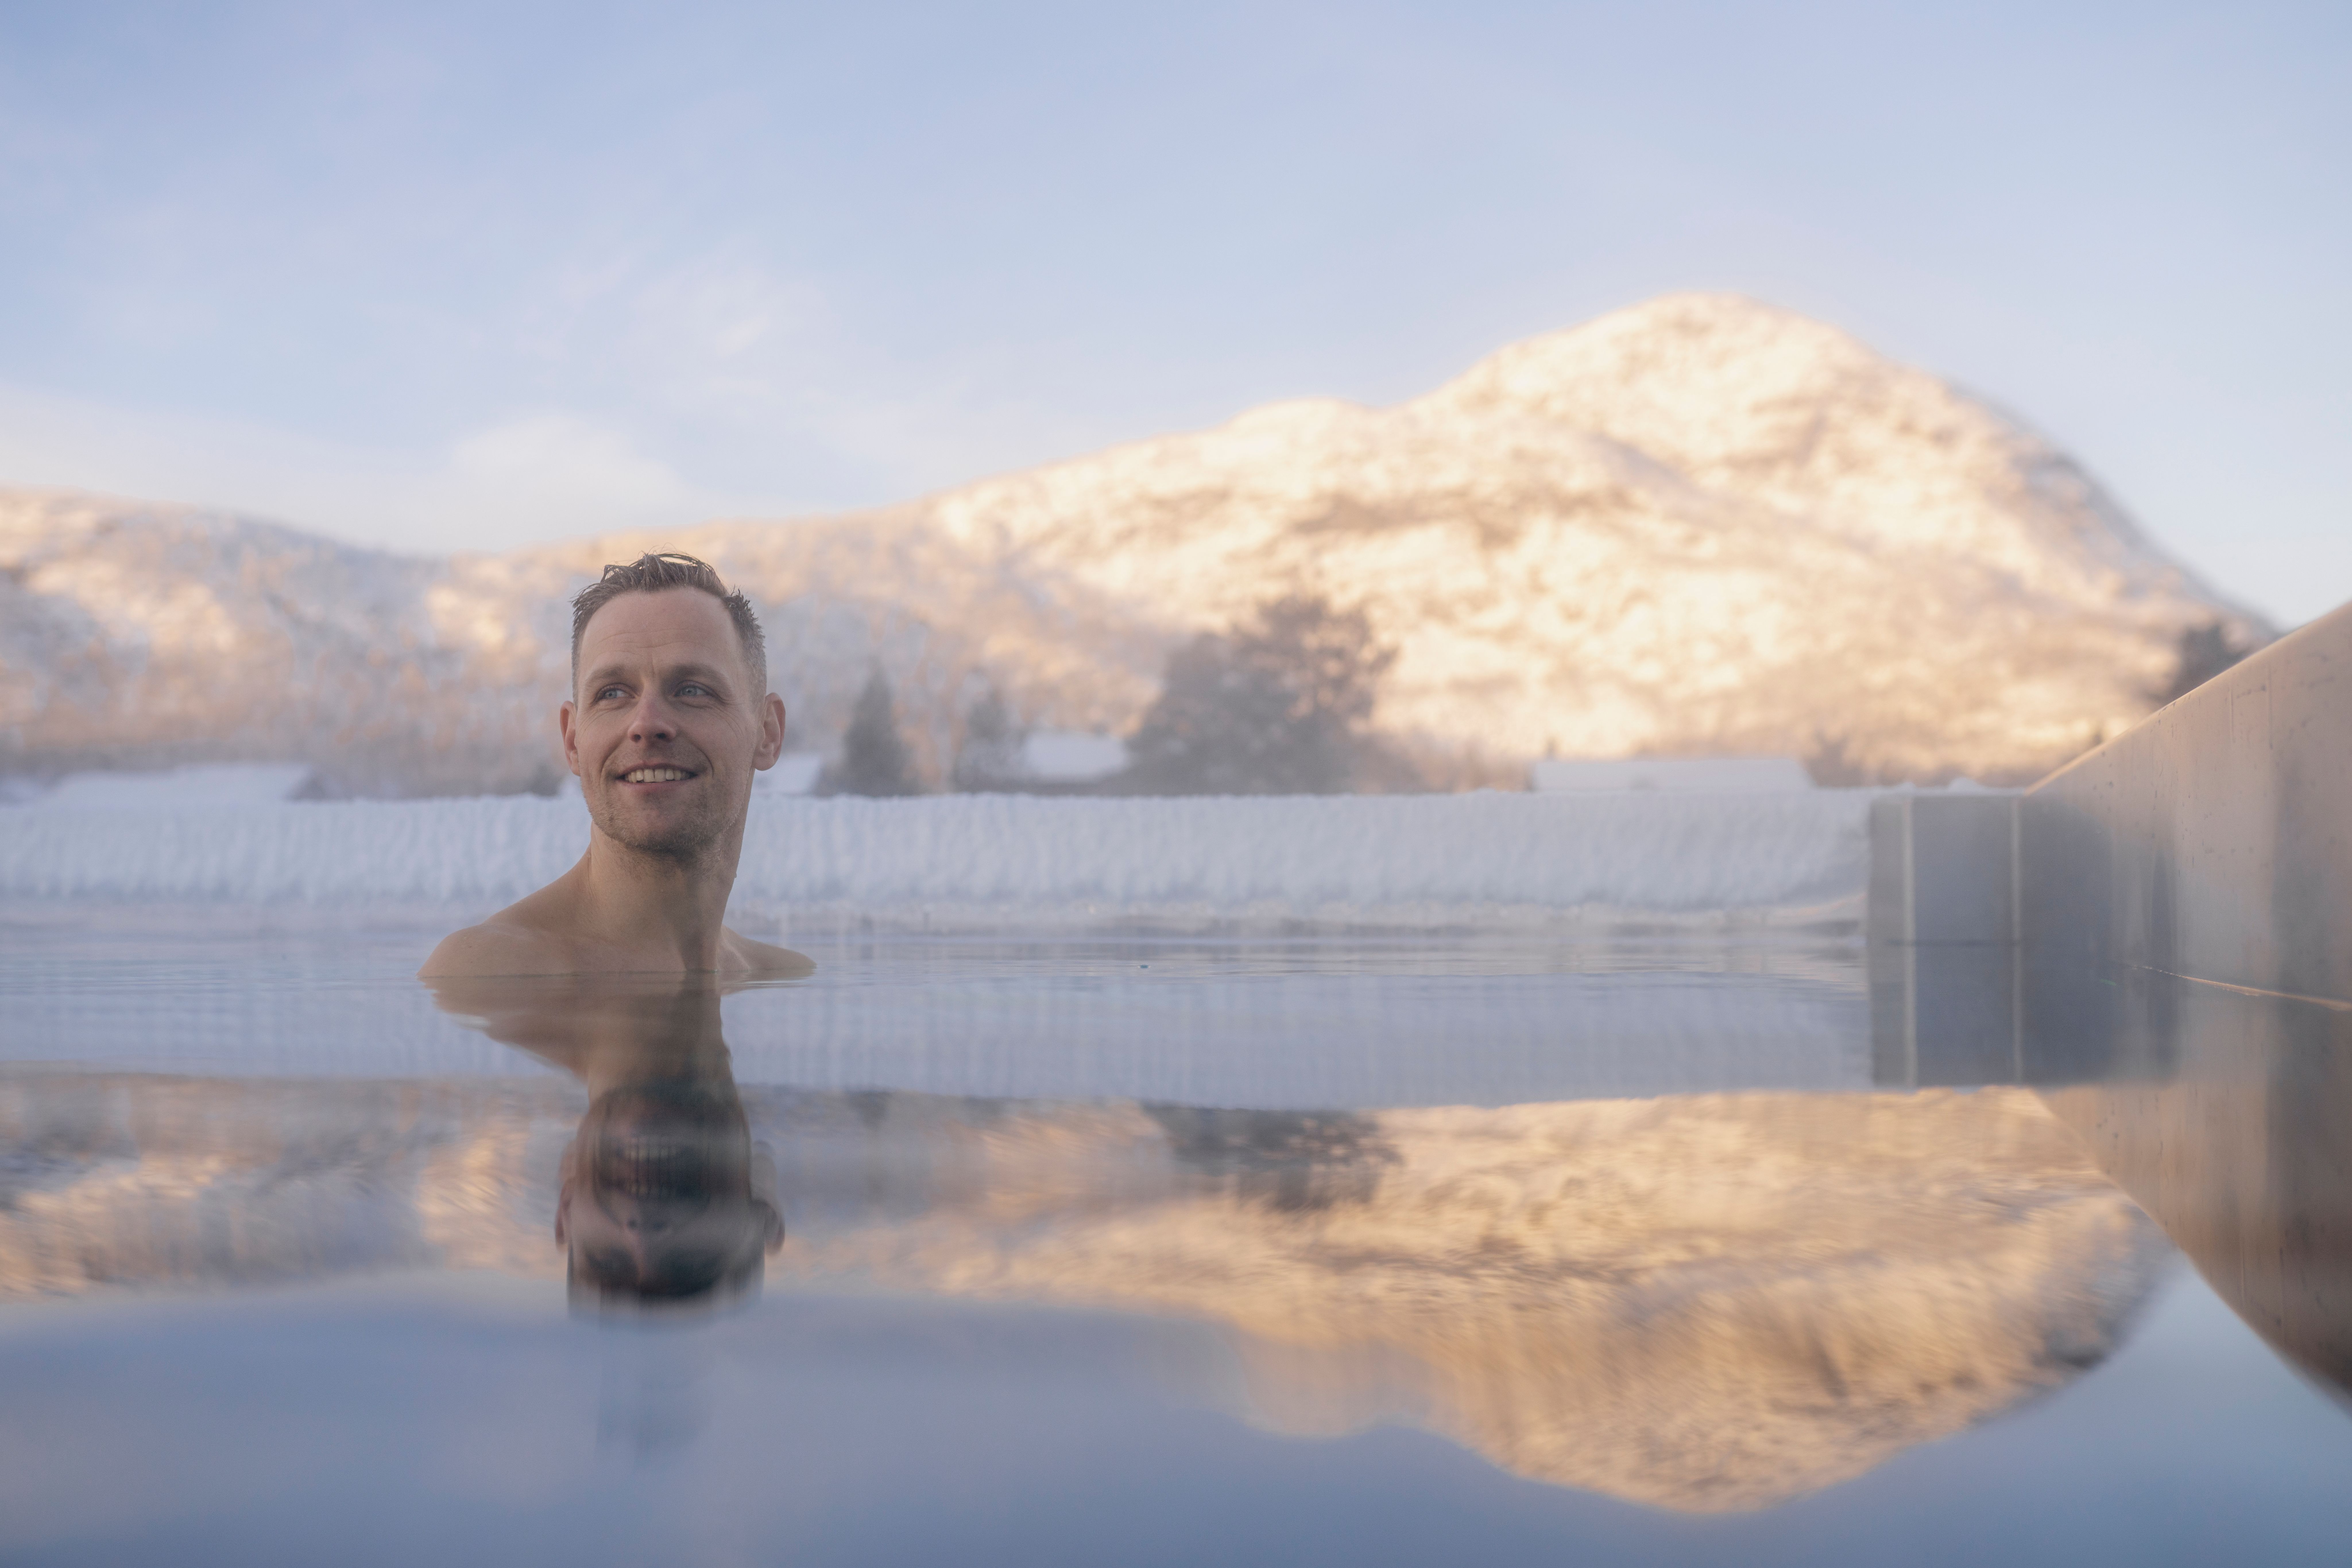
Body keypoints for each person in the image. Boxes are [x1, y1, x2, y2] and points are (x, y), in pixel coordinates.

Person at [420, 552, 811, 979]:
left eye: (693, 689)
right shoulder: (489, 975)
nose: (647, 724)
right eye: (612, 694)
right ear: (572, 739)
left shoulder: (779, 976)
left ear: (768, 732)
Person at [424, 969, 786, 1313]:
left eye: (607, 1258)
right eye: (691, 1259)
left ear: (566, 1209)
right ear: (765, 1215)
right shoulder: (781, 972)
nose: (641, 1234)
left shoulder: (485, 981)